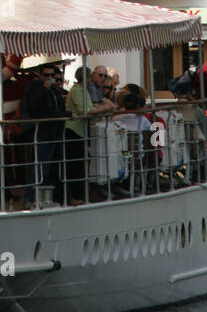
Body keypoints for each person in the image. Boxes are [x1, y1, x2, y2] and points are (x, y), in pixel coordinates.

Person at [65, 64, 116, 204]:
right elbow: (86, 110)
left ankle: (81, 194)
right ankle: (76, 196)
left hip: (81, 131)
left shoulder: (82, 90)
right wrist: (105, 108)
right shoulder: (77, 91)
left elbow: (90, 107)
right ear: (87, 77)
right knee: (76, 165)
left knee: (82, 163)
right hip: (73, 131)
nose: (101, 79)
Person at [21, 65, 67, 208]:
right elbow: (36, 108)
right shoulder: (36, 88)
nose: (49, 78)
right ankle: (29, 198)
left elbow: (57, 108)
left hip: (54, 132)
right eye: (46, 75)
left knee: (49, 167)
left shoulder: (54, 90)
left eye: (51, 75)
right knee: (41, 167)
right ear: (40, 76)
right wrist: (44, 88)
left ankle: (44, 197)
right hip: (43, 133)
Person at [112, 91, 153, 193]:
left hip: (119, 155)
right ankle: (140, 184)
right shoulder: (141, 119)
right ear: (137, 105)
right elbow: (151, 129)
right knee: (145, 151)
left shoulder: (115, 118)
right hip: (136, 156)